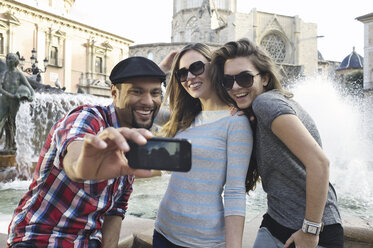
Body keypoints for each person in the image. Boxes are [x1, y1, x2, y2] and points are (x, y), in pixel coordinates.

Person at [7, 56, 166, 248]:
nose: (148, 101)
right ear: (114, 93)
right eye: (137, 91)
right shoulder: (87, 117)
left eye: (155, 93)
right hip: (38, 239)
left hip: (87, 242)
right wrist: (85, 166)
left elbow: (116, 210)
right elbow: (75, 155)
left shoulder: (133, 139)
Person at [210, 38, 343, 248]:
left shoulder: (267, 103)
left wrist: (310, 230)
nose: (235, 87)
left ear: (264, 78)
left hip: (312, 230)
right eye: (228, 81)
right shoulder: (258, 109)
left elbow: (320, 163)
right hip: (275, 222)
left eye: (244, 78)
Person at [152, 43, 253, 248]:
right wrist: (160, 70)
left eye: (196, 67)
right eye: (181, 73)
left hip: (203, 241)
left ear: (214, 67)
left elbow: (234, 192)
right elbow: (140, 108)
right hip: (163, 230)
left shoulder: (236, 122)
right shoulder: (184, 117)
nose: (189, 77)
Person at [0, 53, 35, 151]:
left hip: (14, 103)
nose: (8, 61)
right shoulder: (3, 74)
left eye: (11, 59)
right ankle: (8, 144)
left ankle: (12, 145)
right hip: (4, 101)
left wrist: (32, 96)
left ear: (15, 61)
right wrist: (11, 95)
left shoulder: (19, 74)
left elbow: (30, 88)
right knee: (1, 122)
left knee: (12, 122)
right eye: (7, 59)